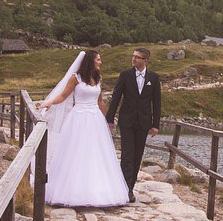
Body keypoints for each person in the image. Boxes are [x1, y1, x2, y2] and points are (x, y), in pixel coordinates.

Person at [36, 50, 128, 207]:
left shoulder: (98, 78)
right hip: (78, 119)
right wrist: (49, 103)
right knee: (77, 151)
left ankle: (97, 190)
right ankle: (74, 191)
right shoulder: (76, 78)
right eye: (98, 59)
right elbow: (63, 96)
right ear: (91, 61)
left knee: (96, 152)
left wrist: (109, 118)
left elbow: (100, 102)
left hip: (95, 120)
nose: (100, 62)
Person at [106, 47, 161, 202]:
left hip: (143, 122)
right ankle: (126, 190)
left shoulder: (154, 78)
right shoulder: (125, 75)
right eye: (133, 56)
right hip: (127, 121)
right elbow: (116, 97)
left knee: (137, 156)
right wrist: (110, 118)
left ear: (145, 60)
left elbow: (157, 102)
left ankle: (131, 185)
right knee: (127, 155)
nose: (134, 59)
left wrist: (155, 125)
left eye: (137, 57)